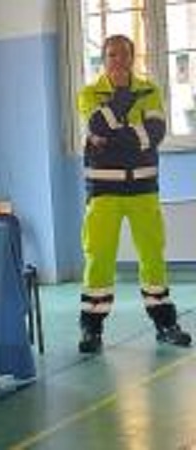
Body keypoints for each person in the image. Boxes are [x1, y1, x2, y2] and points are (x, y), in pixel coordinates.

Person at [76, 35, 191, 353]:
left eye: (124, 54)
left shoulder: (150, 91)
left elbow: (154, 134)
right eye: (112, 54)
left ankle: (165, 324)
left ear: (133, 56)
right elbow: (97, 126)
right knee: (98, 258)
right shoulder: (88, 93)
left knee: (153, 256)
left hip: (143, 189)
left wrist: (111, 138)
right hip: (103, 192)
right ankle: (91, 330)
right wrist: (125, 115)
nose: (119, 60)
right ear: (103, 59)